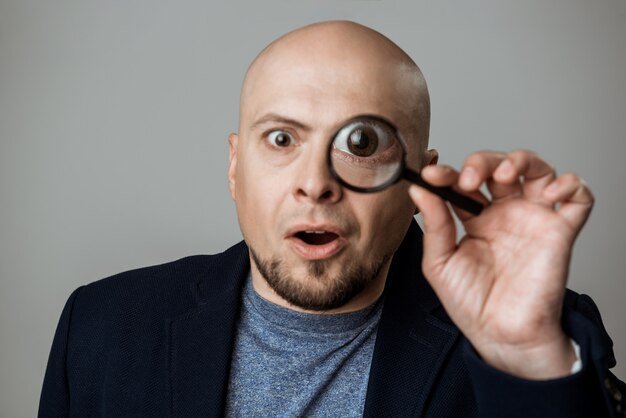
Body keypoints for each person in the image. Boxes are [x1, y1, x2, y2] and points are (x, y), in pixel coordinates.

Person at [39, 20, 625, 417]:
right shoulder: (102, 327)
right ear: (235, 166)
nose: (316, 182)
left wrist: (526, 359)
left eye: (362, 143)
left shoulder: (546, 335)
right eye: (281, 137)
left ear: (419, 180)